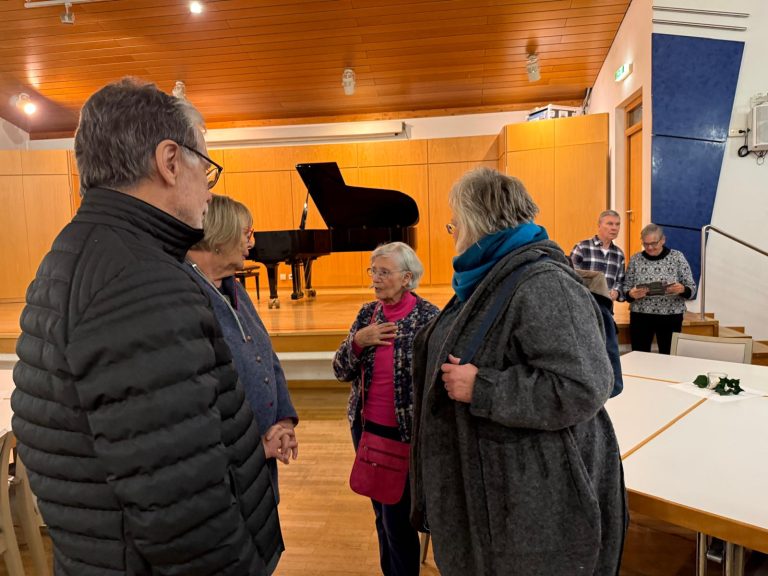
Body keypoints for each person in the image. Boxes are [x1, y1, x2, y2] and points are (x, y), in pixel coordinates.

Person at [11, 78, 289, 576]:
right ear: (168, 160)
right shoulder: (139, 282)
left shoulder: (82, 252)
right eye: (206, 167)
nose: (208, 186)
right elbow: (182, 512)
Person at [410, 167, 626, 576]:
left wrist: (484, 388)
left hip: (532, 503)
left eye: (453, 223)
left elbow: (584, 384)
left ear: (476, 222)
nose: (452, 233)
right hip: (499, 493)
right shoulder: (490, 276)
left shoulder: (543, 283)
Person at [333, 242, 439, 576]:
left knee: (398, 520)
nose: (375, 279)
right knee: (380, 514)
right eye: (373, 271)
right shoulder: (367, 314)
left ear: (407, 278)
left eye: (384, 272)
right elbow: (340, 371)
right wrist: (358, 341)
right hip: (365, 430)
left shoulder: (428, 318)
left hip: (404, 435)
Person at [186, 195, 299, 490]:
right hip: (226, 474)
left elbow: (267, 357)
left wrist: (284, 422)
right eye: (246, 233)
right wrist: (254, 448)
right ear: (220, 237)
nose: (252, 242)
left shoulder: (233, 286)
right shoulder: (185, 296)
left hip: (262, 460)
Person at [623, 223, 696, 355]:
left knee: (669, 357)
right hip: (641, 315)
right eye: (645, 244)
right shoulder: (635, 259)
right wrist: (631, 294)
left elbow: (691, 288)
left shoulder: (677, 257)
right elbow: (625, 289)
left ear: (663, 240)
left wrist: (682, 289)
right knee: (639, 357)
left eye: (654, 243)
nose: (650, 248)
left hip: (671, 316)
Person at [570, 209, 626, 301]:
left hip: (606, 308)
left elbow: (620, 282)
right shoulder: (582, 247)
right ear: (599, 225)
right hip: (584, 305)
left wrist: (617, 292)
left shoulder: (619, 254)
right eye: (610, 224)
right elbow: (571, 275)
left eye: (617, 224)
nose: (614, 228)